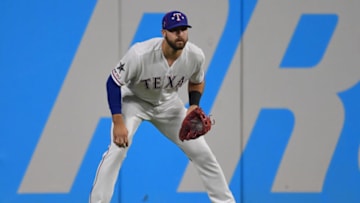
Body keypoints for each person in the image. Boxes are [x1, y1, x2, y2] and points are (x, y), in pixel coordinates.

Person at [89, 10, 236, 203]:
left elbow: (197, 81)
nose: (180, 34)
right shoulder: (140, 53)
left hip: (168, 105)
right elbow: (113, 83)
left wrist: (193, 106)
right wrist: (118, 121)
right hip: (135, 100)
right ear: (164, 32)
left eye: (183, 29)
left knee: (202, 153)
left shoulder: (195, 55)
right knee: (118, 150)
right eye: (174, 30)